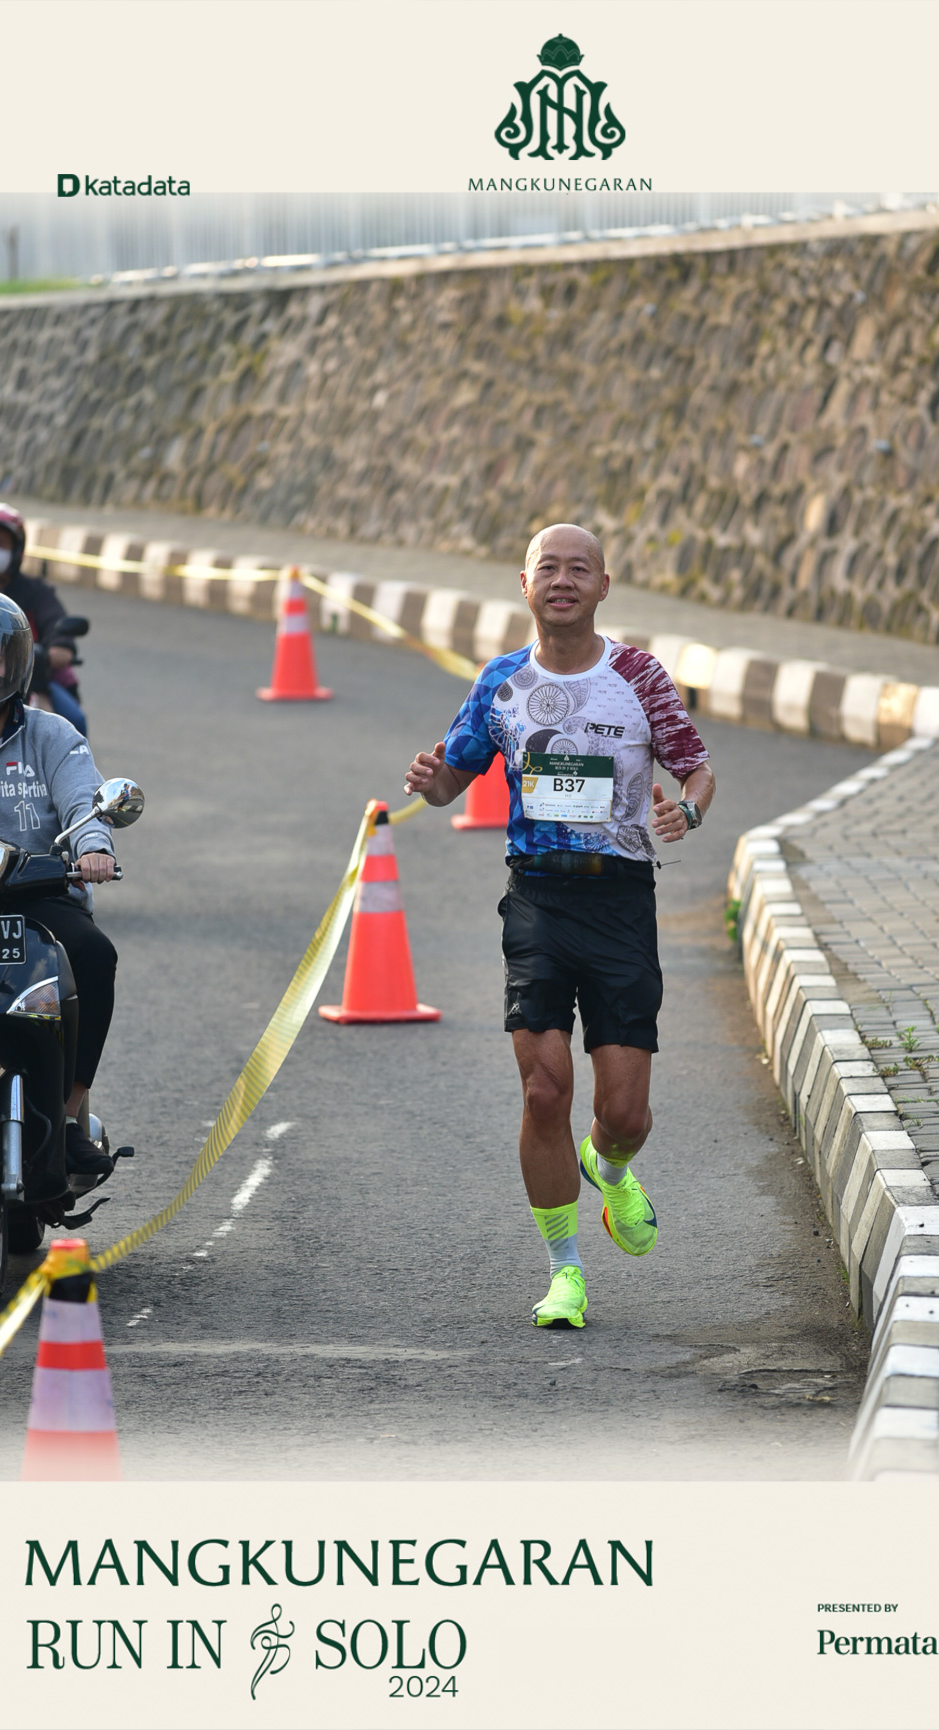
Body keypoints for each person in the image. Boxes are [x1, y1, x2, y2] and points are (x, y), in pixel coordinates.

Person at [405, 522, 715, 1328]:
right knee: (544, 1090)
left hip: (619, 902)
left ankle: (607, 1168)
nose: (563, 580)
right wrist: (433, 781)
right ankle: (564, 1271)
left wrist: (685, 811)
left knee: (625, 1115)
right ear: (525, 584)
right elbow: (450, 781)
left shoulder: (637, 675)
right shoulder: (501, 681)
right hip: (537, 900)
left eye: (580, 569)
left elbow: (696, 768)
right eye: (549, 568)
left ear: (603, 586)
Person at [0, 587, 118, 1176]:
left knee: (94, 955)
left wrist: (94, 848)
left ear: (15, 661)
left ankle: (70, 1112)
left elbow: (84, 799)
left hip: (38, 896)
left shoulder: (52, 735)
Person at [0, 500, 89, 734]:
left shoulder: (36, 592)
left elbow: (55, 623)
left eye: (0, 543)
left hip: (36, 681)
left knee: (75, 720)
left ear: (17, 548)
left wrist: (58, 647)